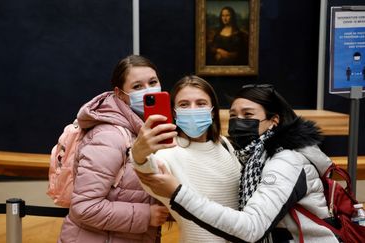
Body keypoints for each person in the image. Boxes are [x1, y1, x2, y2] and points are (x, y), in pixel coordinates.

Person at [136, 84, 340, 242]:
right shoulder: (251, 155)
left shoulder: (285, 162)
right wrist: (138, 152)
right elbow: (149, 171)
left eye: (248, 115)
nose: (238, 121)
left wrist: (179, 193)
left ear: (274, 120)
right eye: (233, 115)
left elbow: (251, 227)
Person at [58, 55, 170, 243]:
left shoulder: (145, 130)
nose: (148, 91)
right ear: (118, 93)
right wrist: (146, 216)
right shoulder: (108, 136)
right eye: (137, 86)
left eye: (153, 82)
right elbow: (85, 207)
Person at [131, 75, 241, 242]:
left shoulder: (224, 144)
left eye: (201, 103)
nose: (192, 109)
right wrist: (138, 154)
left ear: (212, 111)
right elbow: (149, 173)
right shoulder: (167, 151)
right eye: (184, 105)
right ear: (174, 113)